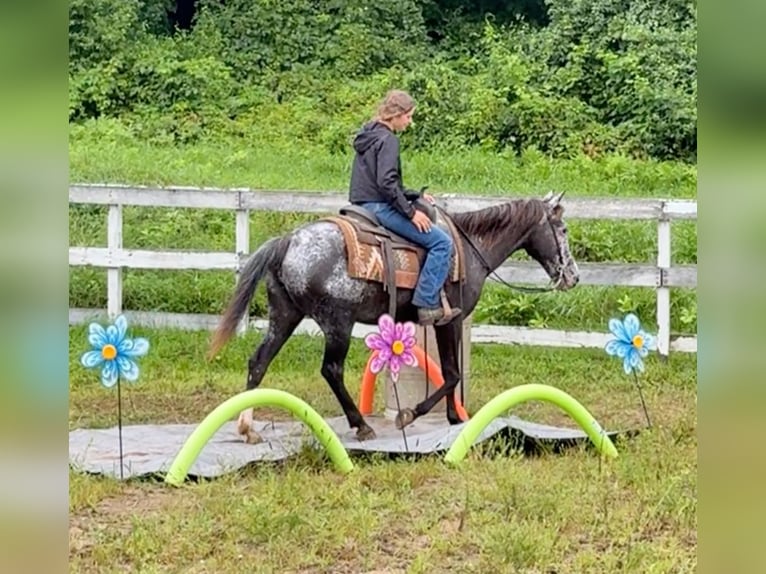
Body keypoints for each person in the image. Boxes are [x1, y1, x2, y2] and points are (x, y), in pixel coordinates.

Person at [348, 89, 462, 326]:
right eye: (408, 117)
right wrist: (411, 213)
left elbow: (381, 182)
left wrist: (415, 195)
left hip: (360, 205)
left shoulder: (367, 135)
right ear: (396, 115)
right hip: (380, 207)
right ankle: (427, 304)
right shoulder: (389, 140)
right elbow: (387, 183)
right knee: (442, 243)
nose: (410, 122)